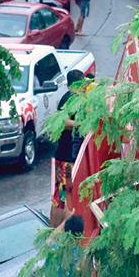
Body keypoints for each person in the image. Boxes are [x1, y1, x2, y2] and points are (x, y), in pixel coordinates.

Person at [50, 73, 88, 226]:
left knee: (66, 196)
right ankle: (53, 228)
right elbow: (61, 122)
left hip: (69, 157)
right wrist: (79, 123)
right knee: (61, 196)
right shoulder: (68, 99)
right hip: (64, 157)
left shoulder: (79, 99)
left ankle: (59, 227)